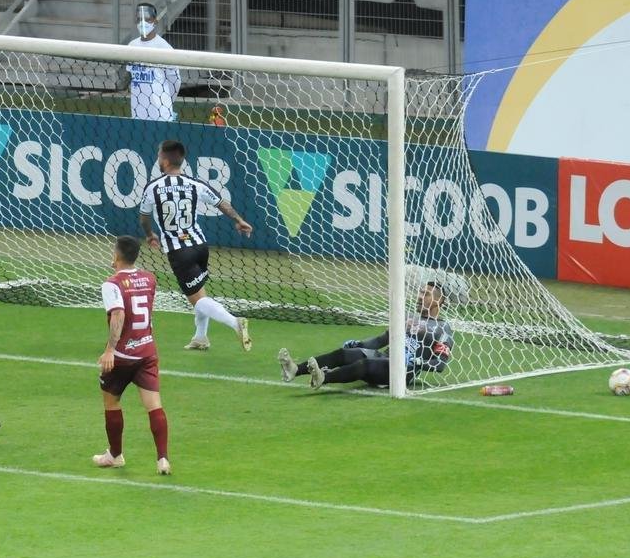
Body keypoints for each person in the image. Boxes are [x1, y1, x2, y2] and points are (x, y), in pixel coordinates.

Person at [139, 139, 254, 352]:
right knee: (199, 293)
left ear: (164, 160)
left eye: (158, 155)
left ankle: (235, 322)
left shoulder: (153, 188)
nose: (157, 158)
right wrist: (239, 220)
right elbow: (221, 202)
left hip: (179, 251)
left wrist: (150, 235)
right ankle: (200, 338)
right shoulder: (195, 184)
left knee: (198, 300)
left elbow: (144, 217)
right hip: (200, 246)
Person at [277, 281, 454, 389]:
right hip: (385, 357)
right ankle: (295, 369)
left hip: (403, 371)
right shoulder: (407, 317)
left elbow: (439, 365)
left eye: (427, 294)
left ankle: (324, 378)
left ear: (439, 301)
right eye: (421, 292)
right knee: (346, 354)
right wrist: (360, 344)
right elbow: (381, 340)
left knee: (365, 363)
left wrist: (416, 362)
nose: (420, 296)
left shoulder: (443, 329)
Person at [93, 235, 171, 475]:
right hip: (147, 351)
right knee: (153, 405)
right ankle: (163, 460)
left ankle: (115, 455)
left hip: (123, 355)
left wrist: (109, 350)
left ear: (116, 255)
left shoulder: (112, 284)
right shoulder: (150, 278)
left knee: (111, 401)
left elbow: (118, 315)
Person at [126, 2, 181, 121]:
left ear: (155, 22)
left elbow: (175, 82)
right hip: (137, 112)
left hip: (161, 114)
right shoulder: (131, 46)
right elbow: (131, 76)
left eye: (147, 19)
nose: (143, 23)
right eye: (140, 19)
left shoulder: (164, 48)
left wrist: (165, 101)